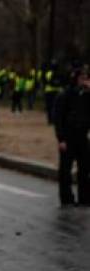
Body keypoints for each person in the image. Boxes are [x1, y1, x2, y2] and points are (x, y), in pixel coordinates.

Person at [53, 68, 90, 207]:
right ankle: (66, 198)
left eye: (86, 78)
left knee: (85, 168)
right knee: (65, 170)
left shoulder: (86, 95)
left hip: (82, 136)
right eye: (82, 78)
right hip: (68, 137)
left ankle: (84, 198)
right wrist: (61, 139)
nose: (84, 81)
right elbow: (58, 118)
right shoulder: (65, 95)